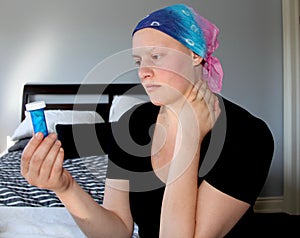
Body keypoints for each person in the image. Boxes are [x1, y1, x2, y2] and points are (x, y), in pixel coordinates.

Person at [21, 4, 274, 238]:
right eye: (139, 61)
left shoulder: (248, 136)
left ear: (195, 54)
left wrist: (190, 139)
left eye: (156, 56)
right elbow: (117, 229)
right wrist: (65, 187)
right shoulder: (134, 122)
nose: (143, 72)